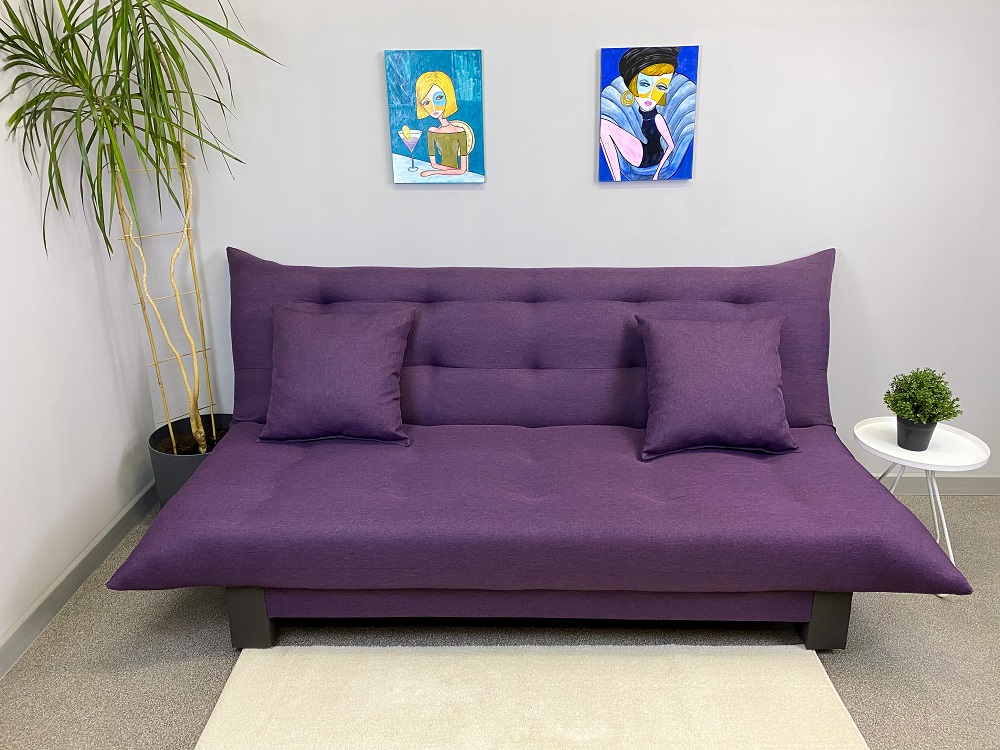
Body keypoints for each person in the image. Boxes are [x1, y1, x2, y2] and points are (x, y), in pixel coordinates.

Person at [599, 47, 678, 181]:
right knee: (603, 126)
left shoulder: (657, 118)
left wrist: (657, 173)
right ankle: (616, 180)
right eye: (644, 84)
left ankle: (617, 180)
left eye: (660, 87)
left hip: (650, 157)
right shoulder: (643, 111)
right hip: (643, 152)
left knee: (604, 126)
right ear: (633, 85)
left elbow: (671, 146)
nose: (651, 95)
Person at [414, 71, 474, 178]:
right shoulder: (432, 131)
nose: (433, 107)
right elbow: (434, 164)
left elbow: (462, 170)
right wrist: (436, 170)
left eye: (438, 98)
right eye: (426, 102)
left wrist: (433, 172)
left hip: (458, 179)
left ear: (448, 96)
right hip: (441, 178)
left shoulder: (460, 131)